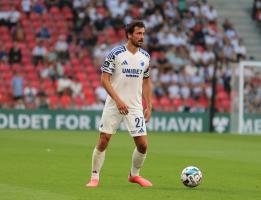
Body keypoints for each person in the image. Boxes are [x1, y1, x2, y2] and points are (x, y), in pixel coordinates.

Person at [86, 20, 153, 187]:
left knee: (143, 145)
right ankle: (94, 177)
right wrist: (118, 100)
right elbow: (104, 80)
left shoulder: (145, 57)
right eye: (138, 33)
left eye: (143, 33)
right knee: (104, 140)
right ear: (129, 35)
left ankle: (134, 175)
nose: (141, 36)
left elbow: (146, 81)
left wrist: (149, 105)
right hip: (114, 104)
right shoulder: (115, 54)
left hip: (135, 106)